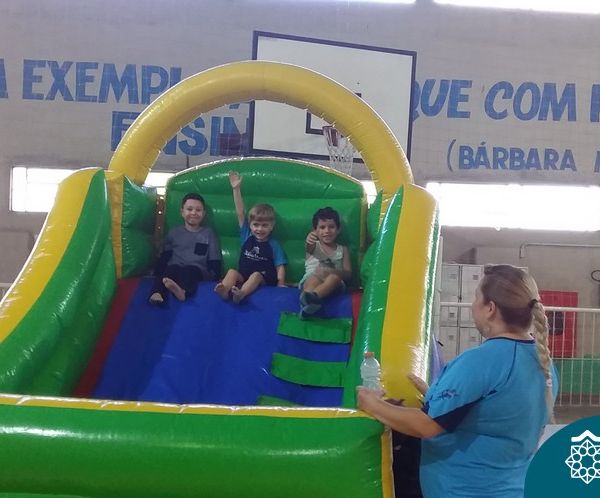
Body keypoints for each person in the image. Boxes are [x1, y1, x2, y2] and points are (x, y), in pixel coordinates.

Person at [357, 264, 558, 498]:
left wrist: (371, 403)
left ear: (490, 308)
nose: (473, 305)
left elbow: (426, 426)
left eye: (476, 297)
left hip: (465, 490)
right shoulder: (545, 365)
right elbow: (499, 413)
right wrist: (434, 394)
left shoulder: (482, 361)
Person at [214, 171, 287, 304]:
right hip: (244, 275)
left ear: (271, 226)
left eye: (264, 225)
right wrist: (236, 189)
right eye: (256, 225)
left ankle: (241, 294)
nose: (259, 229)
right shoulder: (246, 235)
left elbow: (280, 265)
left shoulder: (273, 244)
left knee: (256, 275)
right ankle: (225, 290)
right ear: (250, 225)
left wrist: (280, 282)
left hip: (263, 278)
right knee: (232, 272)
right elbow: (240, 213)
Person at [149, 193, 221, 304]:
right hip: (175, 266)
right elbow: (165, 255)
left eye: (198, 210)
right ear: (182, 212)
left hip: (197, 269)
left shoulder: (208, 233)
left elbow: (214, 258)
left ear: (203, 213)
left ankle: (183, 291)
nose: (194, 213)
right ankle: (157, 293)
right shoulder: (174, 232)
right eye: (189, 209)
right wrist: (156, 270)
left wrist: (215, 275)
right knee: (169, 271)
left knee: (189, 271)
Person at [299, 207, 352, 318]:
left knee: (333, 278)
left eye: (331, 227)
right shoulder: (314, 246)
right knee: (312, 279)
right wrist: (309, 240)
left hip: (334, 283)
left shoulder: (343, 249)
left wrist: (332, 271)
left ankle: (312, 299)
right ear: (315, 230)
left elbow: (348, 274)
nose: (327, 231)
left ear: (338, 229)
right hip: (312, 277)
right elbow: (309, 247)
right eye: (322, 227)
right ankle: (308, 303)